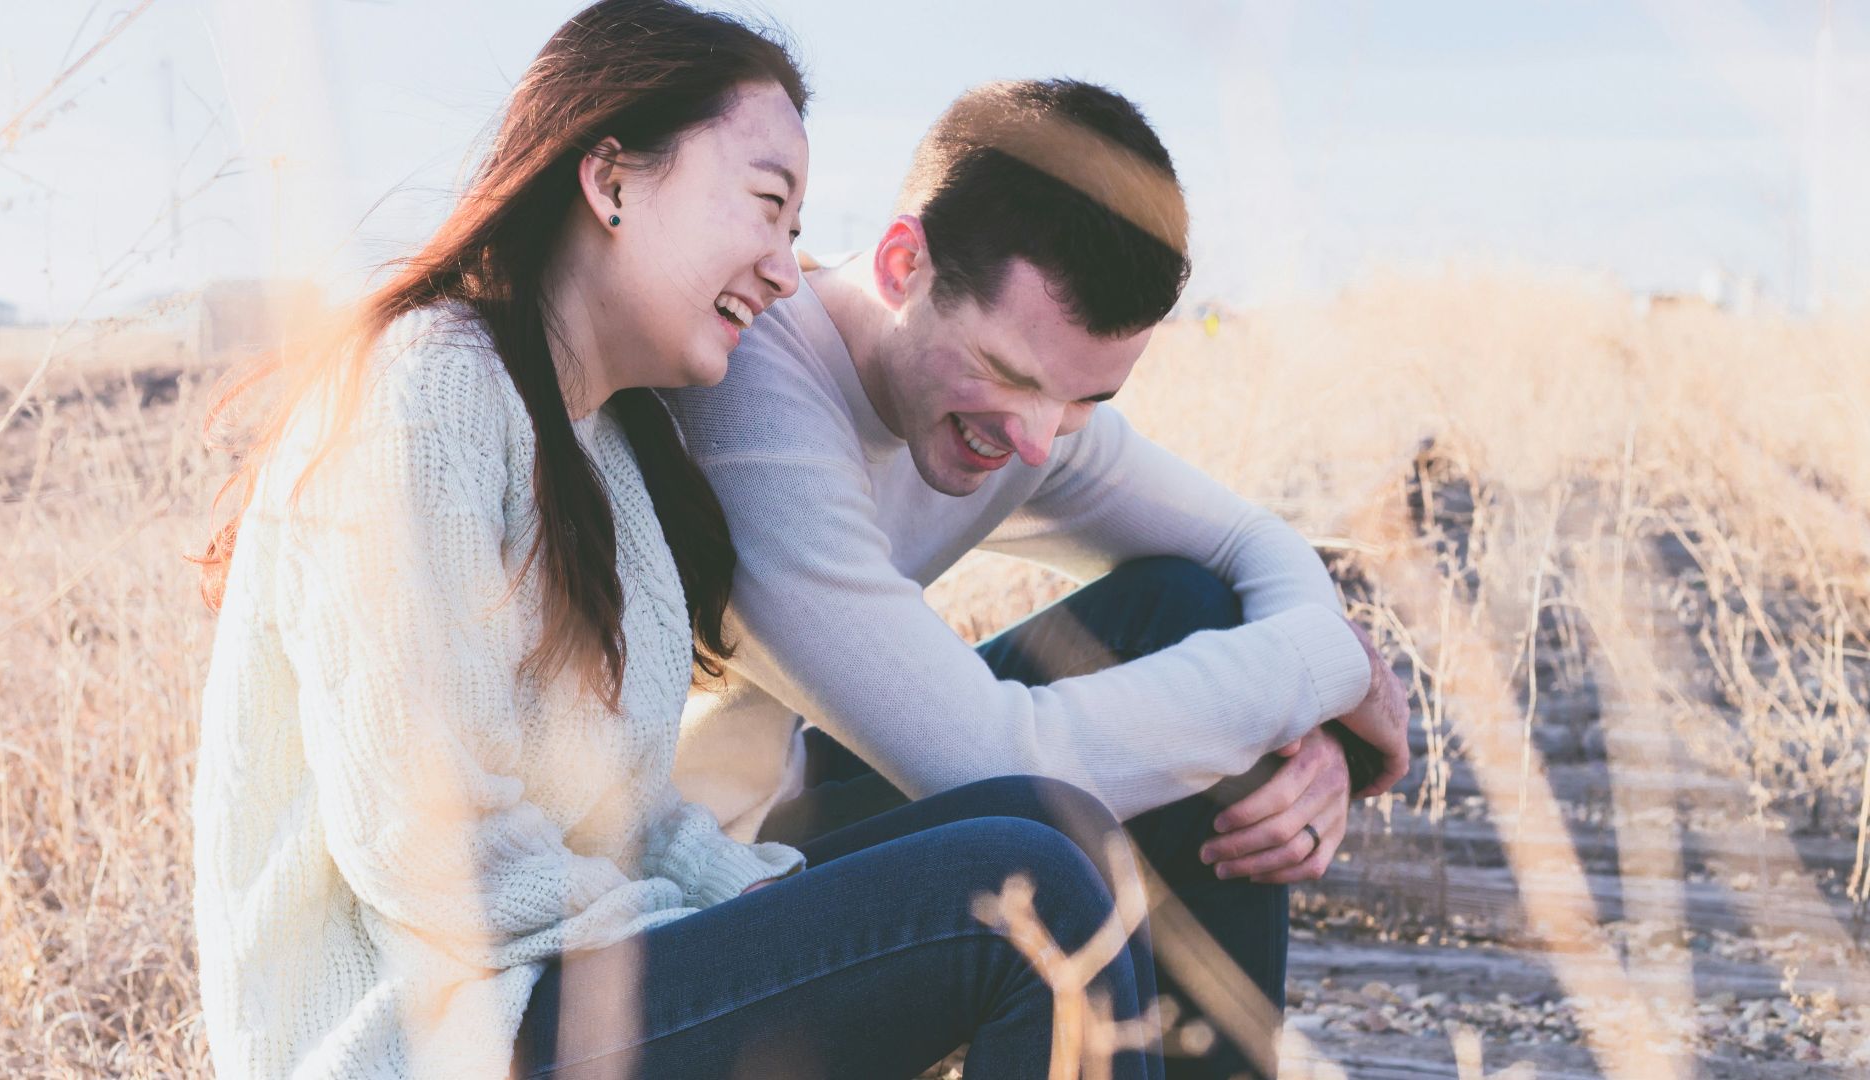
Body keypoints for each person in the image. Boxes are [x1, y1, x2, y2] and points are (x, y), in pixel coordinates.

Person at [191, 5, 1158, 1078]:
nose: (786, 271)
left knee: (1054, 822)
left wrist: (770, 908)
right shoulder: (425, 391)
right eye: (766, 206)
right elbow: (425, 845)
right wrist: (712, 938)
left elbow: (628, 816)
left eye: (796, 231)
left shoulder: (604, 447)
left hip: (557, 982)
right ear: (611, 181)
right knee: (1029, 896)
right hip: (437, 1033)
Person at [662, 78, 1412, 1077]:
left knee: (1191, 607)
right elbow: (992, 761)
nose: (1034, 440)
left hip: (783, 811)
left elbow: (1248, 542)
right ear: (902, 265)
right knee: (1062, 837)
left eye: (1087, 399)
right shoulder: (753, 393)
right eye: (1010, 374)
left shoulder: (1031, 411)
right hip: (680, 906)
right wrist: (1323, 668)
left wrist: (1304, 732)